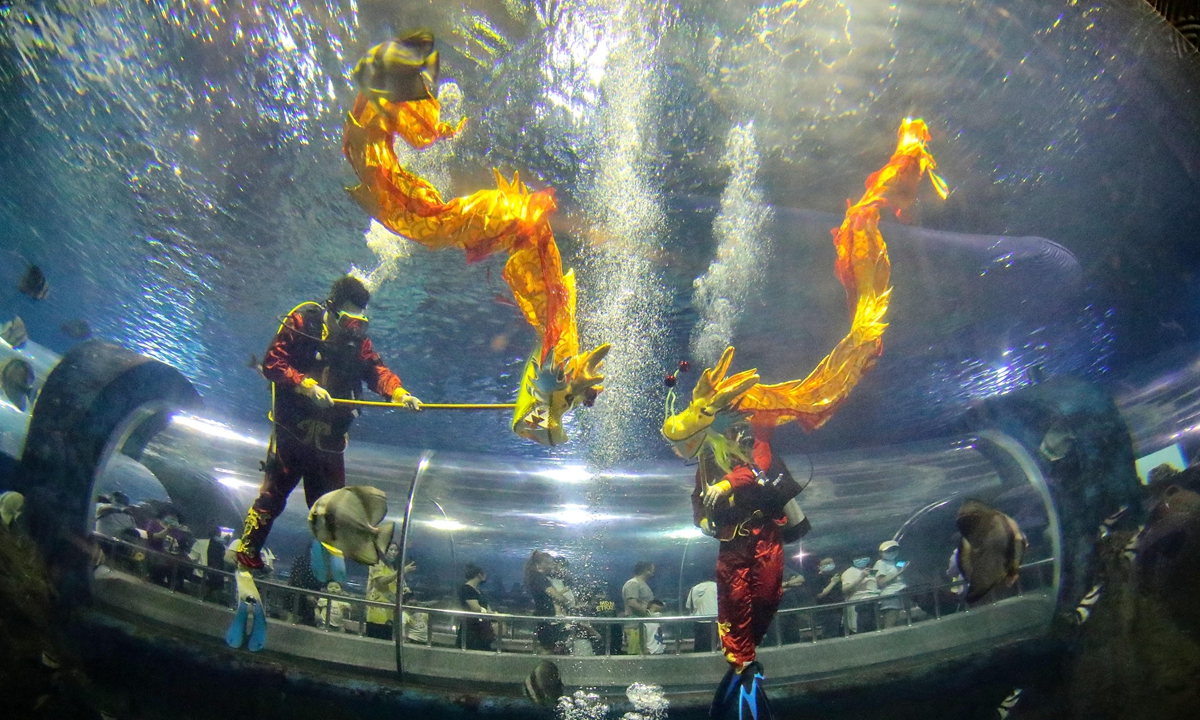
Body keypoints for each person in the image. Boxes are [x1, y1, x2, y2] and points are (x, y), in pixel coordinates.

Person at [234, 275, 422, 570]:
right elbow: (273, 362)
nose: (355, 324)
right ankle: (247, 554)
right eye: (350, 316)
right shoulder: (302, 322)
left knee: (335, 512)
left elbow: (376, 370)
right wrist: (305, 385)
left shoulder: (358, 341)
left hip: (330, 442)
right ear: (333, 307)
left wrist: (399, 393)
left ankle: (337, 574)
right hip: (291, 434)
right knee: (271, 497)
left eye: (361, 318)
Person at [526, 550, 573, 653]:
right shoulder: (539, 578)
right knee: (548, 648)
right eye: (550, 563)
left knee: (549, 647)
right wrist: (567, 601)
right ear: (541, 564)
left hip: (544, 616)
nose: (552, 566)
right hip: (547, 618)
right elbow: (555, 596)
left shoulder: (535, 577)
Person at [458, 563, 497, 650]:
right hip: (471, 629)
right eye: (484, 574)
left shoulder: (479, 591)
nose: (486, 577)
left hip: (482, 630)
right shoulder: (466, 589)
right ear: (479, 575)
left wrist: (495, 615)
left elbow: (487, 608)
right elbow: (476, 608)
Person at [622, 561, 656, 655]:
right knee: (636, 655)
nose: (654, 571)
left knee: (643, 652)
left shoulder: (641, 584)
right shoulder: (633, 584)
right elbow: (632, 603)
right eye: (652, 569)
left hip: (642, 625)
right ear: (645, 570)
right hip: (635, 627)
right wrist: (648, 613)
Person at [841, 553, 879, 634]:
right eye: (858, 557)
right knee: (861, 630)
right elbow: (845, 589)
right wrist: (861, 577)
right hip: (859, 606)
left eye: (864, 556)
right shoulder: (849, 572)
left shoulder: (870, 570)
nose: (861, 559)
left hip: (873, 603)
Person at [873, 540, 908, 629]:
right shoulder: (880, 563)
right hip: (890, 595)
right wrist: (899, 572)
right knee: (890, 624)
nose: (892, 552)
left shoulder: (896, 562)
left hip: (902, 593)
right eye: (888, 551)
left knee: (902, 622)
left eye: (894, 550)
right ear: (881, 553)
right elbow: (880, 582)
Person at [813, 557, 844, 638]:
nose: (829, 565)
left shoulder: (835, 576)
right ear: (819, 566)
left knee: (839, 634)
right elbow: (819, 595)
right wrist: (833, 583)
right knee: (829, 635)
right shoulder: (817, 578)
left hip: (838, 609)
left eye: (831, 563)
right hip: (826, 611)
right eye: (826, 564)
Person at [686, 577, 719, 652]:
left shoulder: (694, 589)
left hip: (698, 622)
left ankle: (698, 661)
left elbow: (689, 606)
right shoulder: (717, 587)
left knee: (699, 646)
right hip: (714, 621)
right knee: (713, 646)